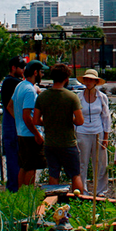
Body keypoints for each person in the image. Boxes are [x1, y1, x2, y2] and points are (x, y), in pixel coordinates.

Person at [33, 64, 85, 192]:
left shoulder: (42, 97)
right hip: (68, 143)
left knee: (53, 175)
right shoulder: (71, 97)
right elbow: (79, 120)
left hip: (50, 143)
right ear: (66, 78)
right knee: (75, 175)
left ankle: (53, 201)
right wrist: (68, 119)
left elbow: (35, 120)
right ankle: (79, 202)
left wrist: (49, 121)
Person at [9, 60, 47, 188]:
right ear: (35, 72)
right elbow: (27, 116)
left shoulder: (20, 86)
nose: (42, 75)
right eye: (41, 72)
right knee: (31, 166)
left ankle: (21, 195)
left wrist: (18, 120)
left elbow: (10, 106)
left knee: (24, 166)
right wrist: (37, 134)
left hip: (21, 133)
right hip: (30, 135)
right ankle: (29, 194)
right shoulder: (30, 91)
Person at [76, 69, 111, 196]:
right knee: (82, 162)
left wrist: (106, 136)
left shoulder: (102, 97)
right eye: (87, 79)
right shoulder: (78, 97)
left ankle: (101, 191)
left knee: (101, 163)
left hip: (98, 132)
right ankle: (82, 190)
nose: (89, 82)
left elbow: (106, 117)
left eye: (92, 80)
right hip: (82, 132)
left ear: (96, 82)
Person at [1, 57, 26, 192]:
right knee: (14, 162)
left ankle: (14, 188)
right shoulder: (12, 82)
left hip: (13, 126)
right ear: (13, 68)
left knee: (16, 161)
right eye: (21, 68)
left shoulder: (10, 83)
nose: (23, 71)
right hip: (12, 128)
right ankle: (14, 190)